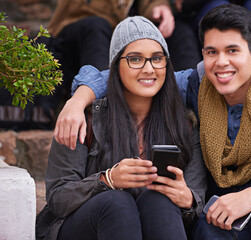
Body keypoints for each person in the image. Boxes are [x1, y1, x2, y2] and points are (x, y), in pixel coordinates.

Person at [53, 4, 251, 240]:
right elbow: (132, 76)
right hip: (220, 219)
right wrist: (77, 101)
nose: (221, 63)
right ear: (202, 53)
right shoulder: (197, 83)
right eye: (211, 52)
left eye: (232, 50)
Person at [35, 16, 207, 240]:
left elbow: (197, 201)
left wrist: (187, 199)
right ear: (116, 66)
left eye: (157, 58)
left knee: (158, 199)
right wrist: (107, 180)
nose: (148, 69)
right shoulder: (84, 118)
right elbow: (58, 199)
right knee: (117, 201)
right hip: (86, 227)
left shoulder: (184, 123)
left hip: (155, 223)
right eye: (135, 59)